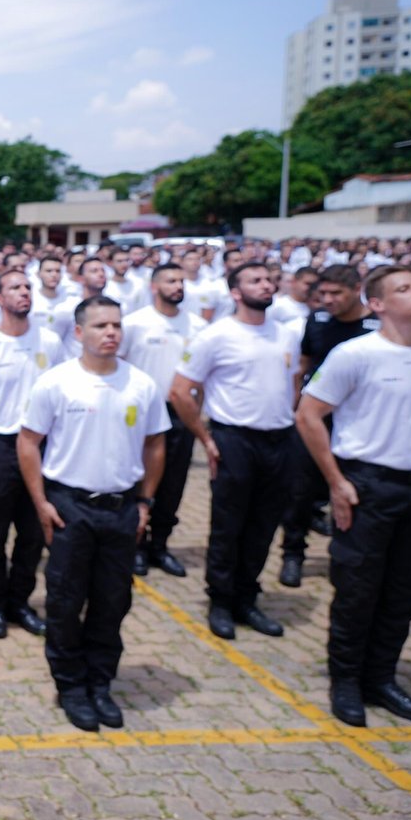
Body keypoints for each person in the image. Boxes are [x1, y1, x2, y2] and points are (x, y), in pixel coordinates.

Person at [297, 265, 411, 727]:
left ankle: (382, 677)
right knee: (358, 587)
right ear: (378, 304)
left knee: (406, 589)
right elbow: (309, 416)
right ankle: (346, 680)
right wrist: (337, 481)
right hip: (369, 484)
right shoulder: (356, 354)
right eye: (404, 288)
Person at [19, 297, 168, 732]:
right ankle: (70, 687)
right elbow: (28, 442)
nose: (111, 333)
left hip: (122, 509)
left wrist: (145, 503)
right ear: (79, 333)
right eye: (101, 325)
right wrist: (42, 502)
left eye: (117, 325)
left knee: (112, 601)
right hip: (71, 507)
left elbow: (157, 445)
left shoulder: (141, 384)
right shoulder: (57, 383)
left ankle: (100, 683)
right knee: (65, 602)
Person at [170, 263, 299, 641]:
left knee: (263, 524)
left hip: (279, 439)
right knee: (229, 524)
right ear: (236, 293)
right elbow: (180, 391)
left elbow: (293, 385)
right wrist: (207, 438)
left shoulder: (286, 335)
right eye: (254, 280)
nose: (265, 284)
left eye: (268, 279)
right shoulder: (217, 335)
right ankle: (221, 600)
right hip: (234, 439)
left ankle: (247, 597)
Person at [0, 269, 64, 640]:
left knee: (35, 530)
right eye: (15, 288)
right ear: (0, 299)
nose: (24, 293)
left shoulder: (50, 342)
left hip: (41, 448)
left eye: (27, 287)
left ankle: (20, 600)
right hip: (0, 446)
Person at [280, 265, 380, 586]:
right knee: (298, 491)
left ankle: (344, 555)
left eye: (336, 293)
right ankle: (292, 554)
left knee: (350, 489)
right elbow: (305, 364)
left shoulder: (375, 328)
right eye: (322, 294)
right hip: (315, 418)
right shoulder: (318, 321)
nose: (328, 300)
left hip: (357, 422)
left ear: (357, 289)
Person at [118, 263, 206, 578]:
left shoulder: (196, 326)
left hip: (179, 411)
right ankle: (137, 546)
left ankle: (160, 545)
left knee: (174, 481)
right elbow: (119, 365)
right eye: (171, 280)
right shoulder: (135, 324)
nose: (178, 286)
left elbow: (201, 379)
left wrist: (196, 413)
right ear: (154, 287)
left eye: (181, 281)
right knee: (141, 479)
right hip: (142, 412)